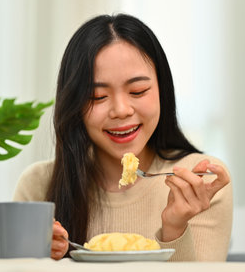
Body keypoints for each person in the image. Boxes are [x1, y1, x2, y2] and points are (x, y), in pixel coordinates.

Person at [13, 13, 232, 261]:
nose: (121, 110)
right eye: (98, 97)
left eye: (138, 91)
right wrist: (43, 259)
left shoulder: (200, 182)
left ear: (163, 89)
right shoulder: (38, 185)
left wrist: (175, 228)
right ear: (73, 104)